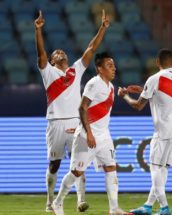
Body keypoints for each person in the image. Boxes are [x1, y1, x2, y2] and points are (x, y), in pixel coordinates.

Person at [34, 10, 109, 212]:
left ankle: (80, 200)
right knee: (54, 165)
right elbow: (41, 54)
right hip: (56, 122)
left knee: (79, 163)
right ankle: (50, 201)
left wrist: (103, 27)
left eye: (62, 51)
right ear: (51, 61)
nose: (61, 53)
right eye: (56, 53)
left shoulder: (75, 70)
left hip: (76, 122)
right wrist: (38, 30)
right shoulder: (48, 72)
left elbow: (91, 49)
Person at [52, 52, 131, 215]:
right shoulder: (94, 84)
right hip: (86, 136)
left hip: (104, 136)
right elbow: (82, 108)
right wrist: (89, 133)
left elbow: (101, 108)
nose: (114, 68)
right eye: (109, 65)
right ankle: (57, 202)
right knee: (76, 172)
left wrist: (122, 95)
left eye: (114, 65)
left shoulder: (110, 87)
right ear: (100, 69)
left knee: (111, 168)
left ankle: (114, 208)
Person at [118, 49, 172, 215]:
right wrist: (144, 89)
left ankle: (164, 207)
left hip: (166, 129)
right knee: (163, 169)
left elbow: (138, 105)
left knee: (155, 167)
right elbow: (168, 94)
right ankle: (148, 206)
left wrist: (125, 96)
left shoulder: (154, 78)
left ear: (157, 62)